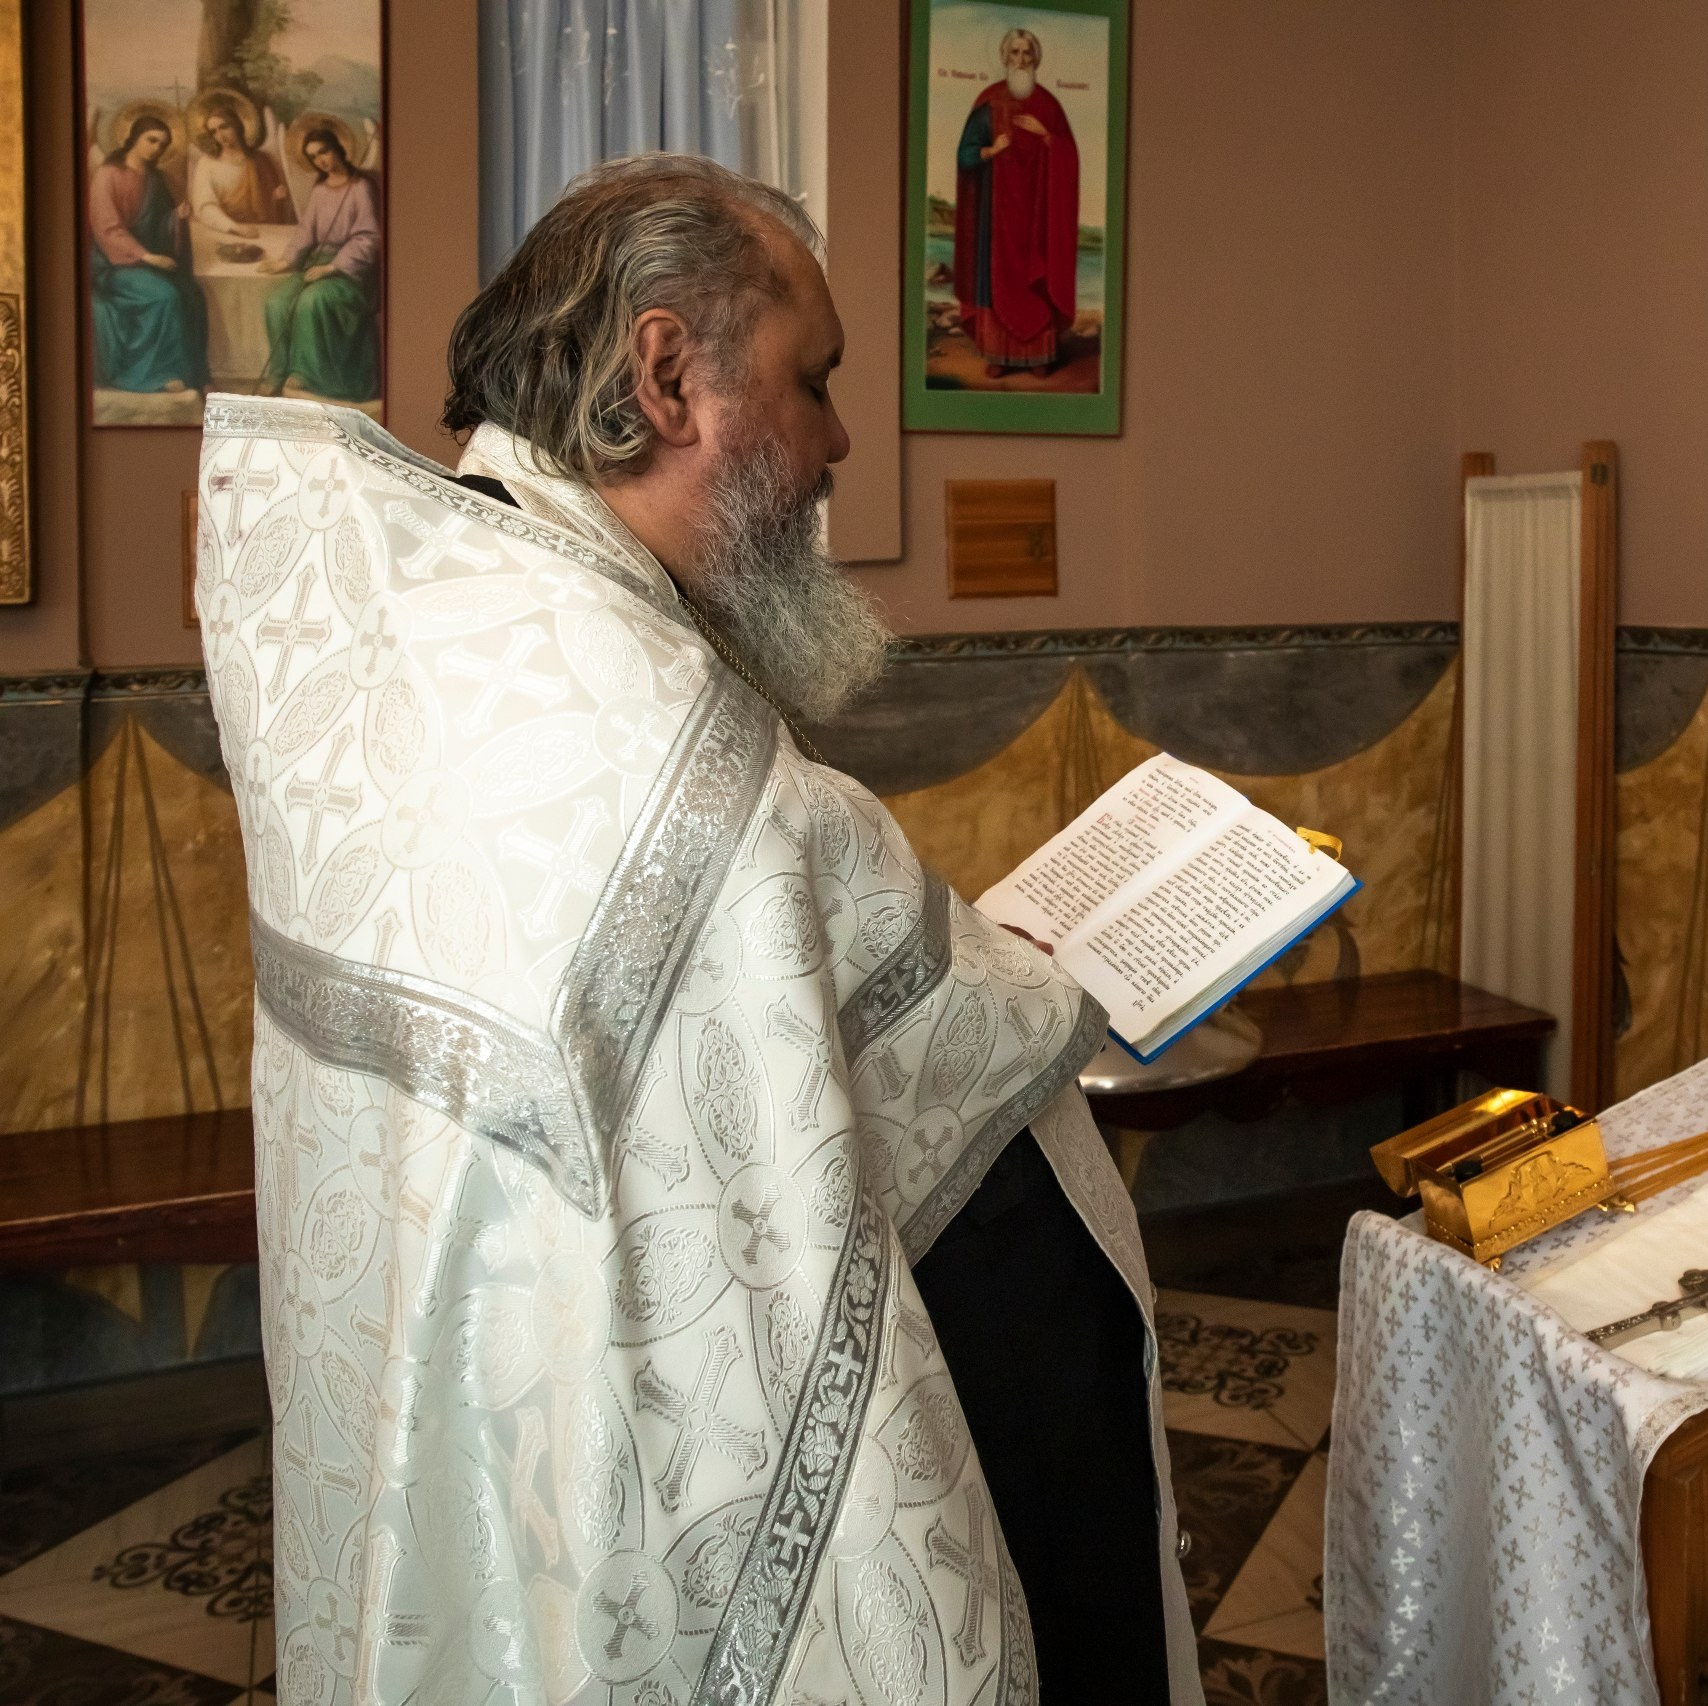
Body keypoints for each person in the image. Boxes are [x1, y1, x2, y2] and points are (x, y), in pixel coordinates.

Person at [198, 154, 1195, 1706]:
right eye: (816, 382)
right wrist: (1035, 986)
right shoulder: (650, 739)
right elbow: (937, 1086)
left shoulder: (445, 618)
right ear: (669, 376)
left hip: (458, 1449)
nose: (842, 442)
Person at [952, 28, 1081, 378]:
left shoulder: (1049, 107)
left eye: (1027, 54)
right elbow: (964, 156)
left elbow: (1069, 157)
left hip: (1038, 219)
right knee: (996, 280)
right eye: (1015, 53)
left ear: (1036, 59)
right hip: (996, 217)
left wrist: (1046, 137)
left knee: (1035, 279)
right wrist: (990, 151)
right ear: (1005, 58)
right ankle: (999, 354)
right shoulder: (989, 103)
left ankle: (1039, 355)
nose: (1021, 60)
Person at [258, 124, 380, 401]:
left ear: (338, 148)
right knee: (276, 302)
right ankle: (277, 373)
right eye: (314, 157)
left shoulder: (360, 187)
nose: (321, 160)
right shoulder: (320, 190)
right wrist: (286, 260)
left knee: (311, 301)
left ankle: (306, 375)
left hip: (350, 272)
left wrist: (332, 267)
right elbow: (305, 232)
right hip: (315, 265)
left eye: (324, 152)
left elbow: (368, 237)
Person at [88, 114, 207, 396]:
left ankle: (196, 374)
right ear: (133, 139)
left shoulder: (157, 179)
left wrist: (176, 217)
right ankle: (158, 373)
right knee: (165, 295)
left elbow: (160, 223)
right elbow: (108, 229)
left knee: (192, 293)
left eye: (162, 144)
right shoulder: (109, 175)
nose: (157, 148)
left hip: (150, 261)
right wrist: (146, 257)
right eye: (151, 140)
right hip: (114, 265)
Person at [186, 101, 291, 236]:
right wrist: (234, 227)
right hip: (224, 232)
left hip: (263, 231)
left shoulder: (261, 160)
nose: (220, 135)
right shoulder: (207, 164)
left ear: (237, 125)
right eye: (214, 131)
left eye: (224, 127)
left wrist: (276, 198)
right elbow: (204, 207)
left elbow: (274, 206)